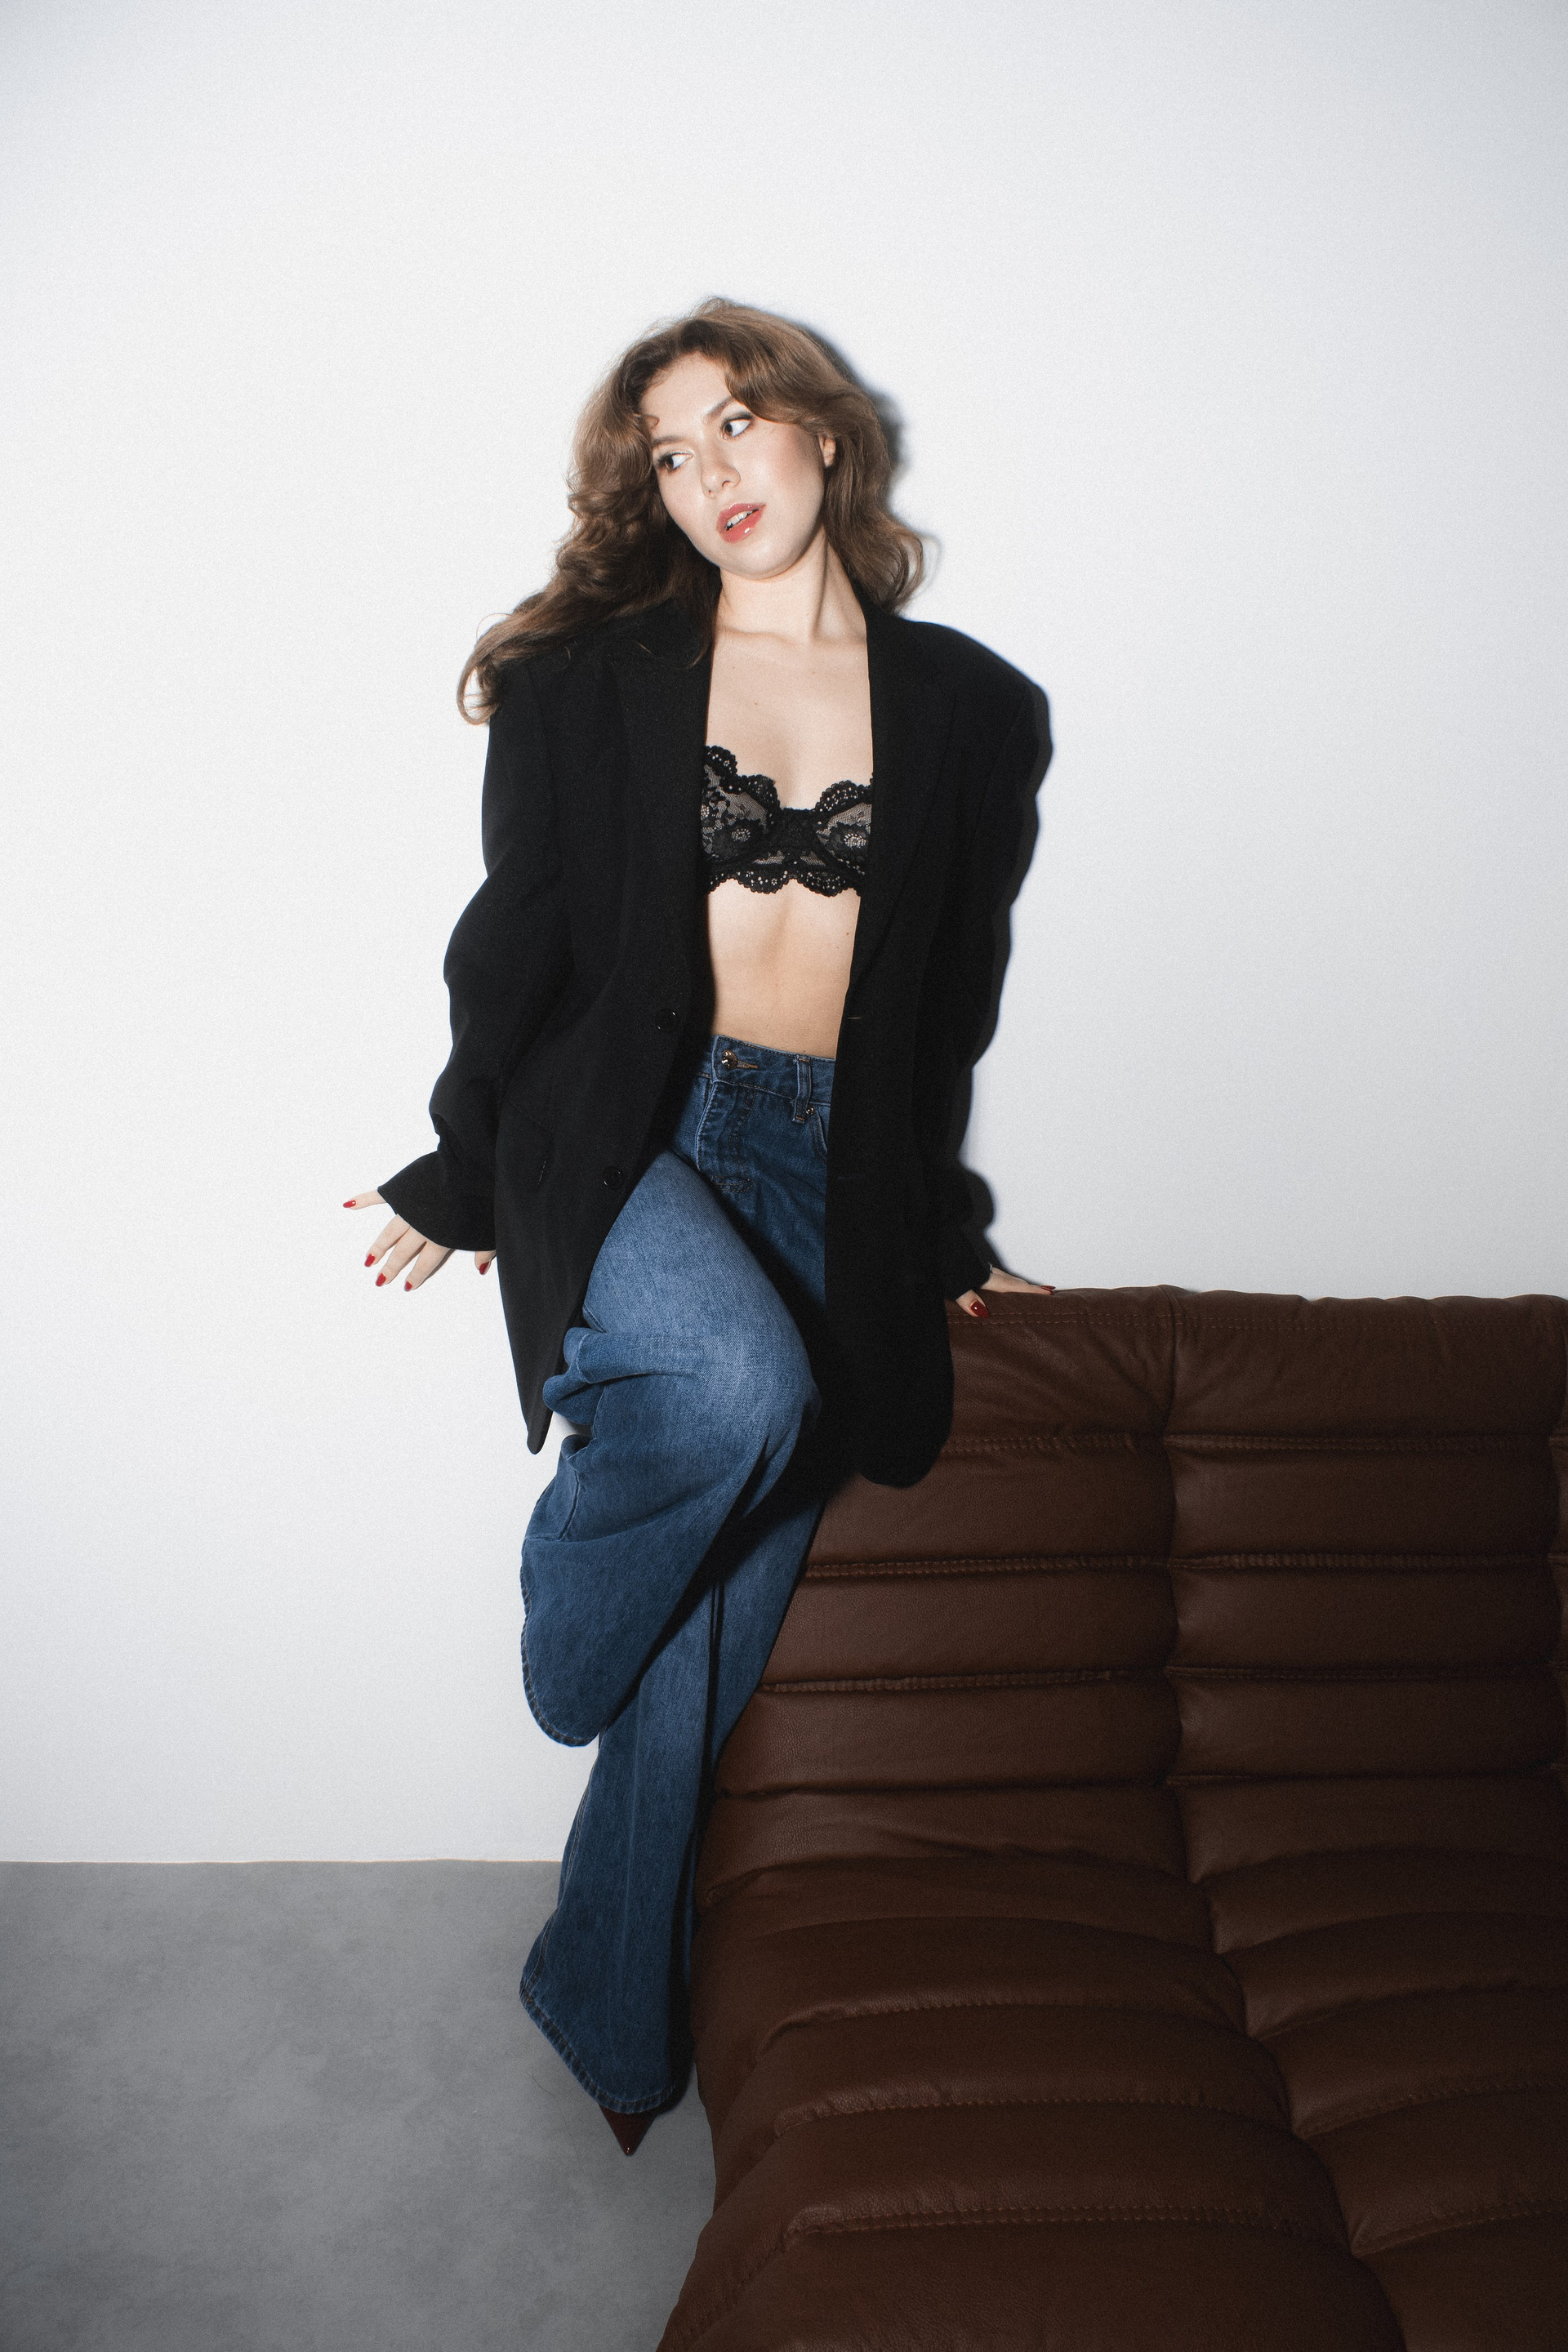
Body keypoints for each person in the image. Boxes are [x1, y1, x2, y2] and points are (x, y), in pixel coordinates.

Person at [344, 299, 1052, 2153]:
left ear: (825, 432)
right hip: (637, 1134)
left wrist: (945, 1229)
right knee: (734, 1389)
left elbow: (947, 1008)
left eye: (737, 422)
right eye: (671, 451)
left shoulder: (976, 710)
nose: (711, 471)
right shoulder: (597, 681)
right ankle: (561, 1641)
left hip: (839, 1167)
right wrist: (463, 1165)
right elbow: (514, 948)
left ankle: (603, 2010)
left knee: (710, 1648)